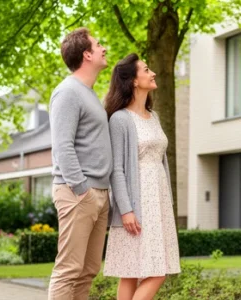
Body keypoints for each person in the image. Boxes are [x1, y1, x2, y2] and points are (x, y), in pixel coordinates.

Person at [103, 53, 181, 300]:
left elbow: (160, 160)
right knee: (148, 270)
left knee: (140, 271)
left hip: (158, 202)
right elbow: (116, 168)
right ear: (134, 81)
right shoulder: (119, 119)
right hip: (137, 204)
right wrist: (125, 209)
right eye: (146, 69)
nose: (153, 73)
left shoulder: (154, 116)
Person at [47, 27, 111, 300]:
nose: (103, 48)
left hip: (98, 193)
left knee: (88, 271)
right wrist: (82, 189)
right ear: (86, 54)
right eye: (98, 45)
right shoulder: (68, 92)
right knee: (69, 270)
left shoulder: (89, 93)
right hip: (78, 192)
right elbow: (62, 146)